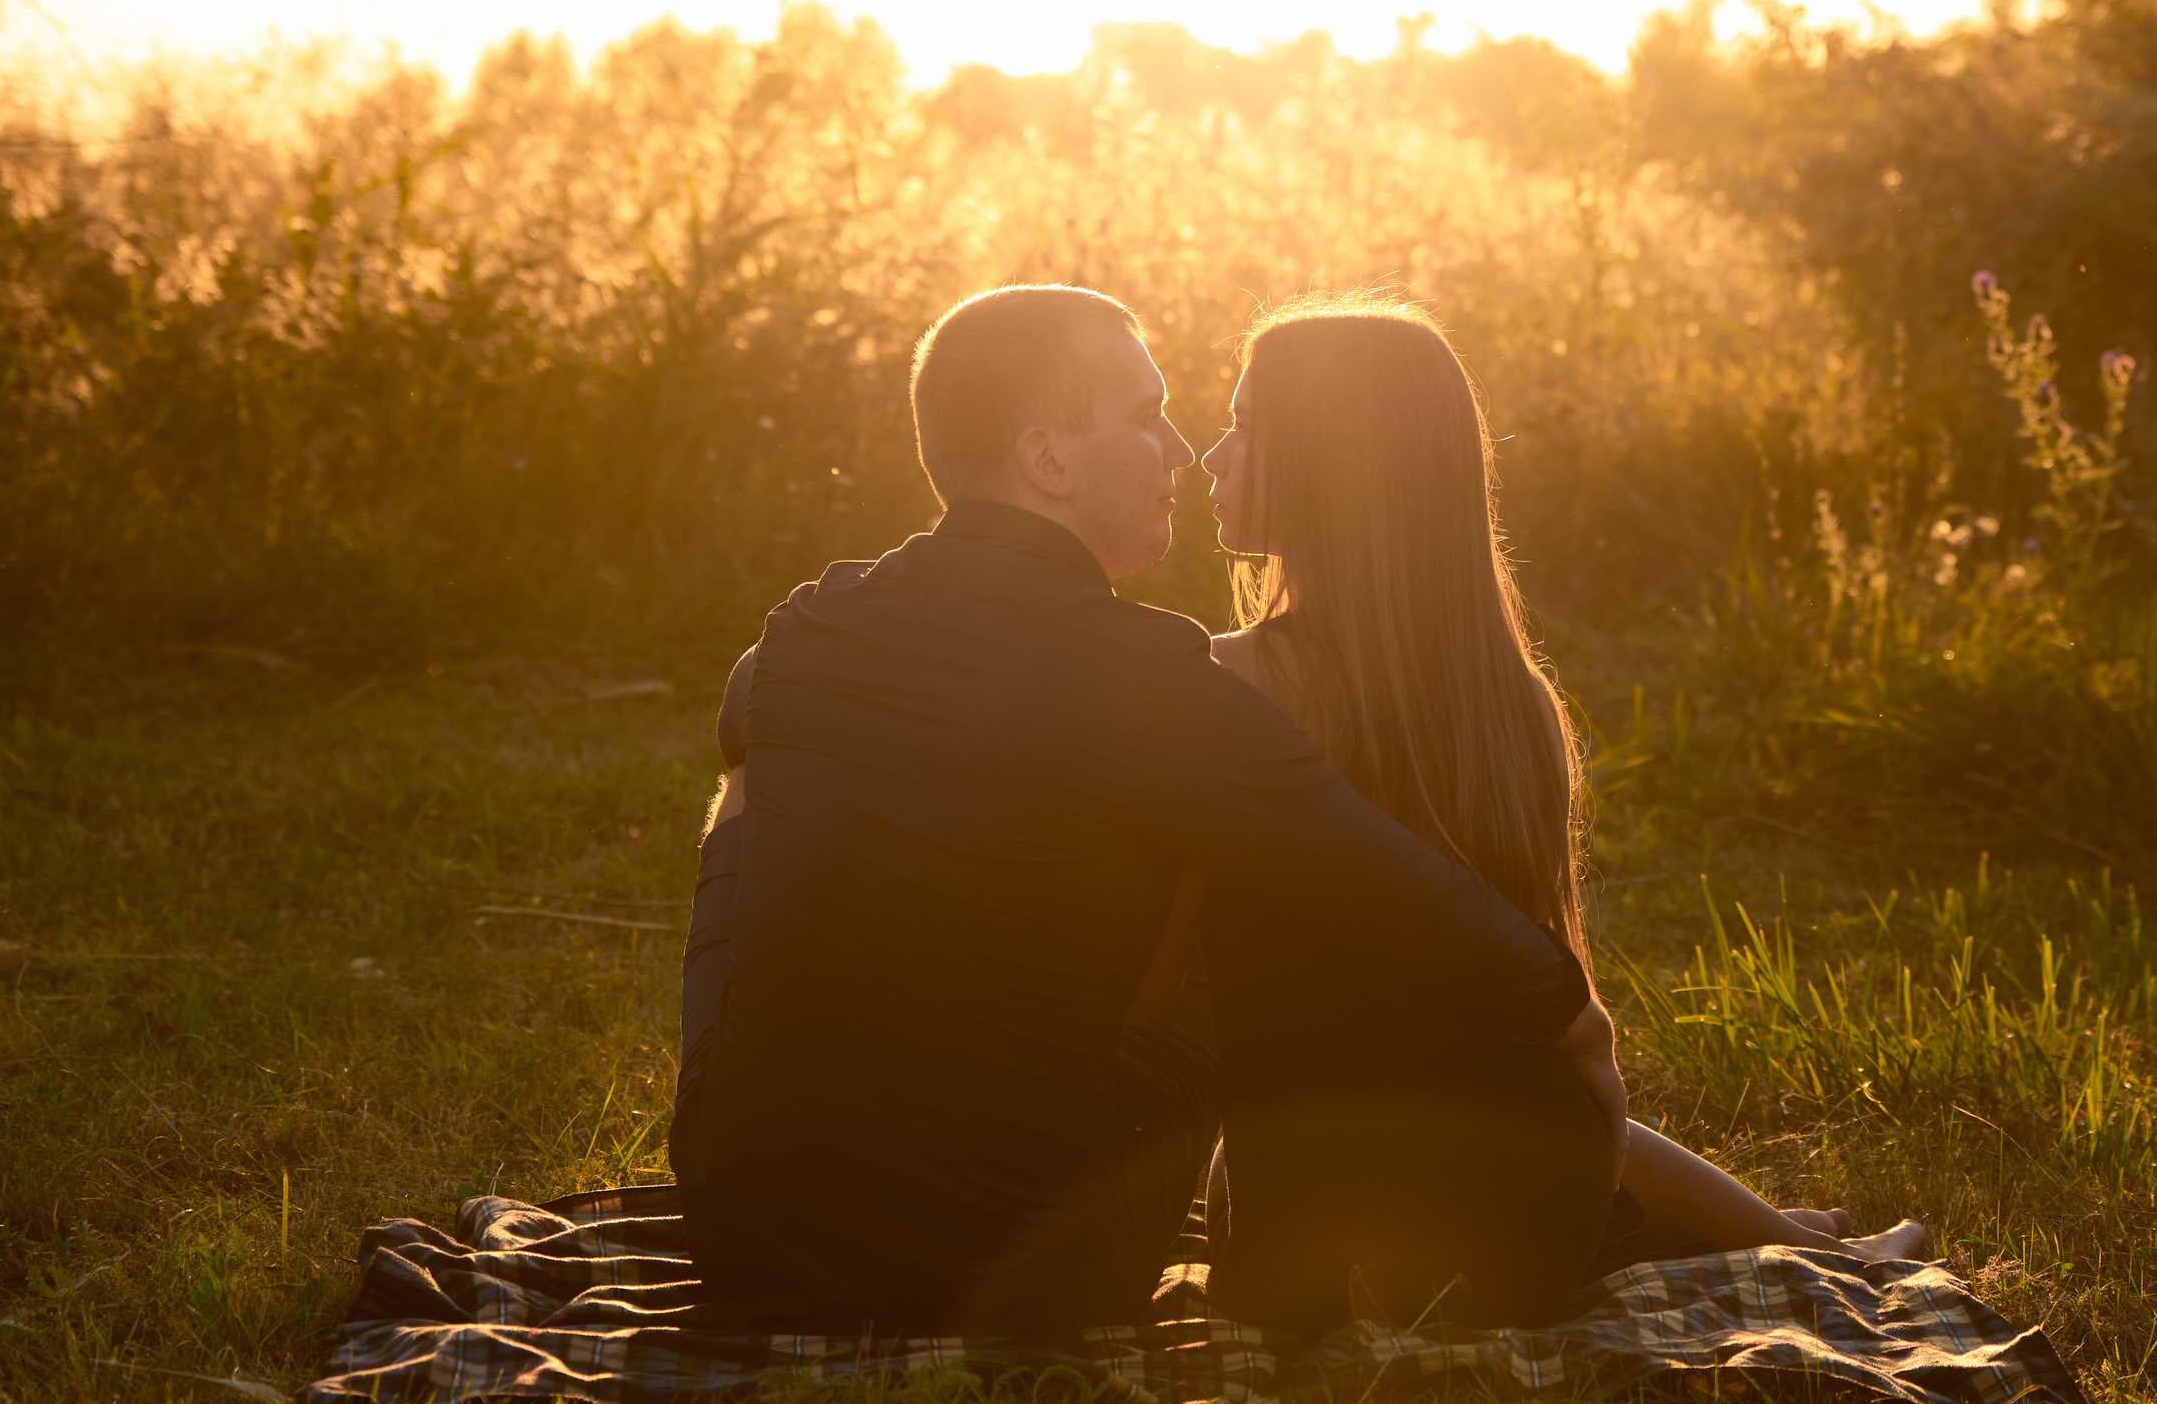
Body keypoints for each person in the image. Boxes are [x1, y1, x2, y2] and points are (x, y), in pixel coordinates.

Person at [673, 284, 1629, 1337]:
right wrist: (1577, 1022)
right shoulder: (1152, 684)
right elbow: (1395, 887)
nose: (1179, 450)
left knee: (750, 793)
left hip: (746, 1240)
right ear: (1048, 460)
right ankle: (1286, 1235)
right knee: (1247, 869)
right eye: (1146, 416)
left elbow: (744, 709)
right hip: (1032, 1270)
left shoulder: (806, 629)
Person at [1188, 293, 1927, 1337]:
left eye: (1244, 426)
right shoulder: (1511, 700)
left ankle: (1785, 1237)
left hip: (1306, 1214)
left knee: (1351, 1116)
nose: (1210, 456)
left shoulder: (1220, 685)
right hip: (1525, 1213)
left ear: (1326, 464)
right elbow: (1531, 1027)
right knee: (1513, 1087)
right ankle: (1794, 1241)